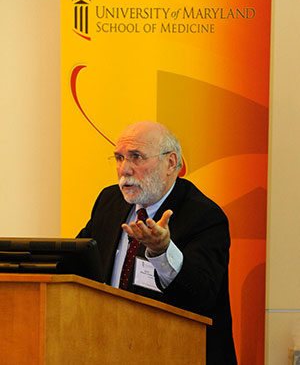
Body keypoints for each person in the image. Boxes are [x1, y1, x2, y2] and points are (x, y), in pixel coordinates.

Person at [77, 120, 237, 364]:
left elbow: (201, 296)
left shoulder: (205, 216)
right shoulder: (109, 201)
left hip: (179, 353)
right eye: (119, 158)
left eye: (136, 157)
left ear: (171, 163)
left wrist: (162, 251)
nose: (124, 169)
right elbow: (79, 258)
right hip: (112, 348)